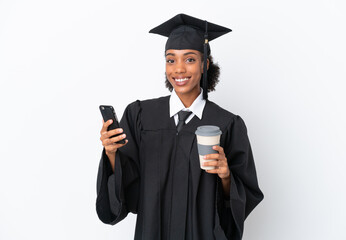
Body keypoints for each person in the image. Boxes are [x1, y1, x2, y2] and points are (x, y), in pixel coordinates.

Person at [96, 13, 264, 240]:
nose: (179, 69)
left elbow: (241, 200)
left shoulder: (227, 124)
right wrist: (111, 152)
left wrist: (226, 176)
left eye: (190, 59)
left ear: (205, 64)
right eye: (171, 59)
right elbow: (128, 187)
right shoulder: (141, 116)